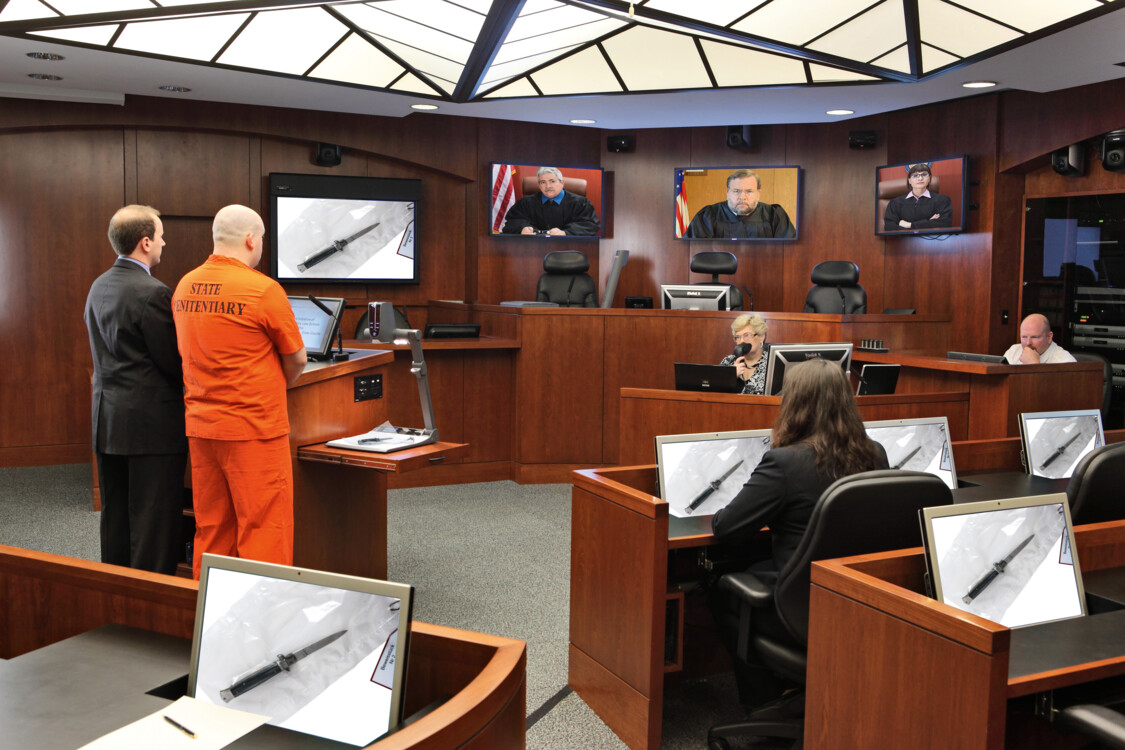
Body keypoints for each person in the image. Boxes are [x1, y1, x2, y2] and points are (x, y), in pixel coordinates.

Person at [709, 359, 889, 708]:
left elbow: (727, 528)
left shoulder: (785, 463)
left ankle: (764, 707)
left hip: (802, 609)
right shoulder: (875, 453)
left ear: (794, 403)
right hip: (860, 603)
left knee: (720, 589)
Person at [172, 204, 307, 579]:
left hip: (201, 428)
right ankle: (263, 627)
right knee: (265, 529)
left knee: (212, 527)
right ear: (251, 239)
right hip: (254, 430)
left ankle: (207, 621)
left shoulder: (184, 285)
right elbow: (296, 360)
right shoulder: (263, 290)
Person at [84, 205, 187, 575]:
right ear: (145, 242)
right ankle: (148, 609)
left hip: (107, 421)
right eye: (160, 235)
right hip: (151, 430)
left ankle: (115, 597)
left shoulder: (99, 285)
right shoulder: (154, 293)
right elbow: (174, 364)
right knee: (152, 525)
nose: (164, 241)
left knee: (116, 519)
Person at [685, 169, 796, 239]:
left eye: (749, 191)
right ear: (727, 193)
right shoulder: (708, 216)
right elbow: (694, 252)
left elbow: (787, 251)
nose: (742, 197)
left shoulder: (774, 215)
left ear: (758, 193)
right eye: (736, 191)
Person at [500, 166, 600, 236]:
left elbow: (590, 225)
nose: (548, 186)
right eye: (543, 182)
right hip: (532, 250)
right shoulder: (525, 203)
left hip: (569, 251)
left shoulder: (581, 203)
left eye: (552, 181)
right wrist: (522, 229)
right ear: (539, 185)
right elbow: (511, 223)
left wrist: (565, 233)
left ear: (562, 183)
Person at [883, 162, 953, 231]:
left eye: (924, 174)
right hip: (903, 241)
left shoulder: (943, 200)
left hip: (933, 241)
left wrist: (909, 225)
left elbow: (945, 224)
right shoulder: (895, 203)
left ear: (929, 178)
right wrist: (928, 223)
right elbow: (889, 227)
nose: (920, 178)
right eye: (915, 175)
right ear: (909, 180)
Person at [719, 314, 769, 395]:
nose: (742, 341)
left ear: (761, 337)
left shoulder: (771, 363)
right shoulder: (728, 361)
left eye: (747, 335)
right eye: (738, 337)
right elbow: (715, 393)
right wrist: (730, 376)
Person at [1003, 313, 1076, 364]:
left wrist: (1034, 365)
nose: (1028, 343)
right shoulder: (1013, 351)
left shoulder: (1065, 361)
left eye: (1034, 337)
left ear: (1049, 337)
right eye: (1024, 337)